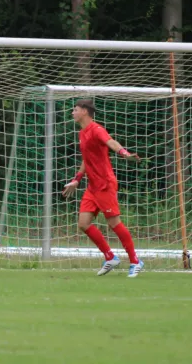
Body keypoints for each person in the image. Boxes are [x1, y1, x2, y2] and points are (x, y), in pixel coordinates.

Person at [62, 99, 144, 278]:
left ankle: (135, 261)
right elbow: (86, 159)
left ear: (84, 111)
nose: (72, 113)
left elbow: (111, 142)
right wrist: (77, 179)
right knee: (83, 224)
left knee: (114, 223)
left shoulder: (97, 130)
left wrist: (125, 154)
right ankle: (110, 257)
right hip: (92, 186)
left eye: (75, 110)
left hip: (105, 184)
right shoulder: (82, 133)